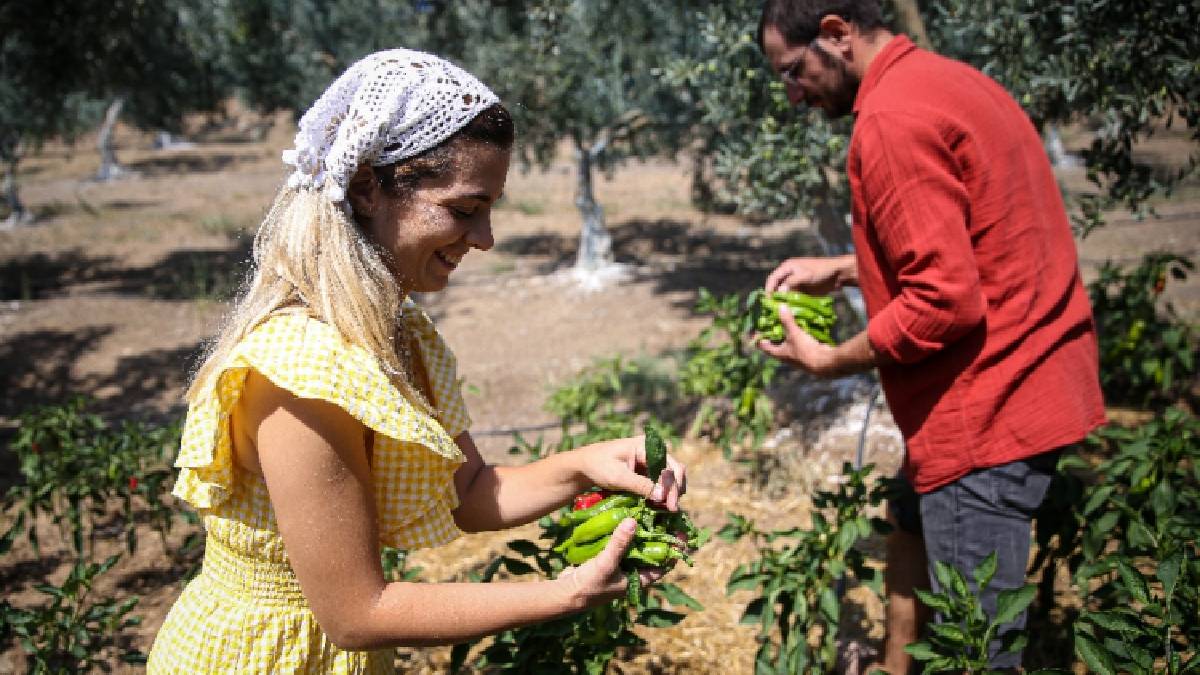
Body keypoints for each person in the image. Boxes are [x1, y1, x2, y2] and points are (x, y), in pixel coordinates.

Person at [146, 49, 686, 673]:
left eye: (489, 210)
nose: (484, 238)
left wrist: (588, 465)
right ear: (366, 188)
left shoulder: (398, 337)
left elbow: (472, 493)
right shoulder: (300, 369)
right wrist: (564, 593)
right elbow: (355, 614)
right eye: (463, 209)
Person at [753, 1, 1106, 671]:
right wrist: (847, 268)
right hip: (1030, 378)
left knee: (980, 646)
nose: (793, 94)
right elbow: (975, 238)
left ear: (836, 34)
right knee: (908, 516)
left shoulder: (890, 123)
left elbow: (943, 302)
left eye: (794, 72)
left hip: (985, 415)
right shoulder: (950, 83)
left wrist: (831, 360)